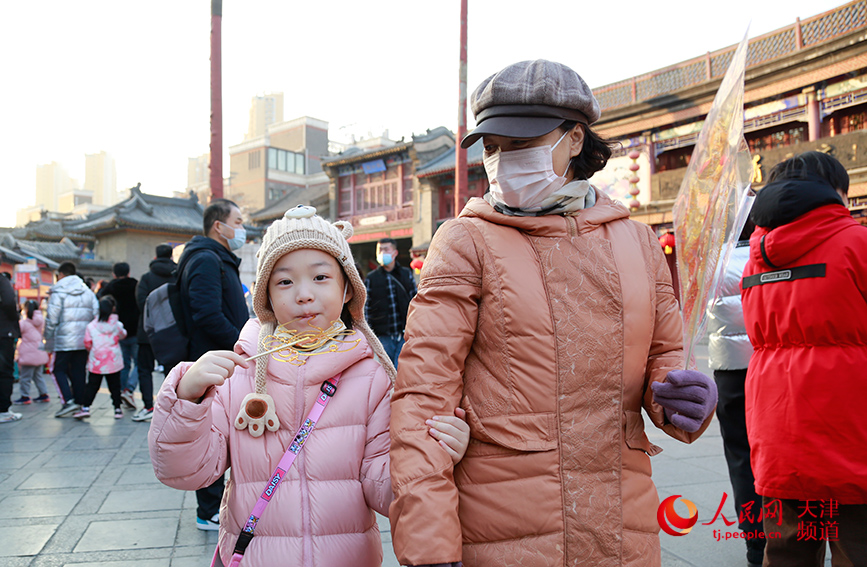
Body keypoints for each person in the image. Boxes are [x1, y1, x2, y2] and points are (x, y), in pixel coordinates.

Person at [388, 60, 719, 567]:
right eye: (493, 147)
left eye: (520, 143)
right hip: (506, 524)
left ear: (575, 139)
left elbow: (666, 357)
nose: (502, 159)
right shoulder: (466, 240)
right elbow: (423, 399)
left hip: (621, 521)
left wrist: (681, 396)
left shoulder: (638, 241)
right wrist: (429, 546)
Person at [149, 206, 470, 566]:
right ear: (265, 296)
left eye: (320, 278)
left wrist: (433, 453)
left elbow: (384, 487)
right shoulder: (242, 372)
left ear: (348, 288)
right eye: (284, 282)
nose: (303, 294)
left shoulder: (371, 377)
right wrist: (185, 398)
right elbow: (186, 471)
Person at [740, 151, 867, 565]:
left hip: (778, 429)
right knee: (857, 548)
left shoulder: (755, 259)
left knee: (787, 553)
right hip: (852, 432)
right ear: (836, 193)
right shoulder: (858, 243)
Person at [177, 198, 249, 531]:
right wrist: (241, 343)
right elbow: (206, 313)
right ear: (218, 226)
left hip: (218, 358)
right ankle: (208, 511)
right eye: (237, 220)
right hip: (210, 360)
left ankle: (211, 506)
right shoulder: (206, 259)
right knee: (208, 432)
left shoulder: (214, 257)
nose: (241, 226)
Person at [706, 219, 764, 566]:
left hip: (727, 371)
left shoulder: (713, 261)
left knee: (741, 457)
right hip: (767, 365)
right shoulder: (767, 257)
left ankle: (755, 543)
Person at [44, 262, 99, 418]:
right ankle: (80, 403)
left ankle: (68, 401)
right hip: (83, 340)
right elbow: (96, 314)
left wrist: (47, 339)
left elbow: (51, 319)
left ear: (61, 274)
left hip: (64, 340)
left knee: (57, 369)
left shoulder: (58, 292)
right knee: (79, 371)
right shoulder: (87, 291)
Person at [132, 244, 177, 422]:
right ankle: (172, 406)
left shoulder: (146, 278)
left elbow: (141, 302)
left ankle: (148, 406)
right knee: (172, 370)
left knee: (145, 369)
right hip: (173, 332)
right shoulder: (177, 276)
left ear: (156, 256)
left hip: (147, 331)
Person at [364, 238, 416, 367]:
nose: (382, 252)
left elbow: (415, 301)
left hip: (404, 334)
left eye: (386, 249)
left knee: (402, 370)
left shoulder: (406, 274)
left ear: (395, 253)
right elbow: (366, 308)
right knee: (385, 371)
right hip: (382, 336)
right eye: (380, 250)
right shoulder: (371, 278)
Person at [74, 297, 126, 420]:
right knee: (115, 386)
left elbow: (87, 342)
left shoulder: (91, 326)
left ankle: (86, 407)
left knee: (92, 385)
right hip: (113, 360)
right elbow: (123, 335)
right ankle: (117, 409)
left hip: (97, 360)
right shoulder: (117, 325)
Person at [98, 262, 139, 410]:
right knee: (140, 364)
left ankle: (123, 391)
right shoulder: (136, 285)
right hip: (135, 330)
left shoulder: (109, 288)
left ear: (114, 274)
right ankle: (129, 389)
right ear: (128, 273)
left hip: (117, 331)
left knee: (124, 364)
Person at [13, 300, 50, 405]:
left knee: (25, 377)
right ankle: (44, 394)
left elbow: (17, 333)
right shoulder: (40, 320)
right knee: (38, 375)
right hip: (39, 351)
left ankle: (25, 396)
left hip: (28, 353)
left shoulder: (24, 323)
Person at [0, 272, 22, 423]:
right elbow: (8, 302)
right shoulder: (2, 280)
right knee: (4, 371)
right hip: (3, 331)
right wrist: (15, 316)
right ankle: (3, 410)